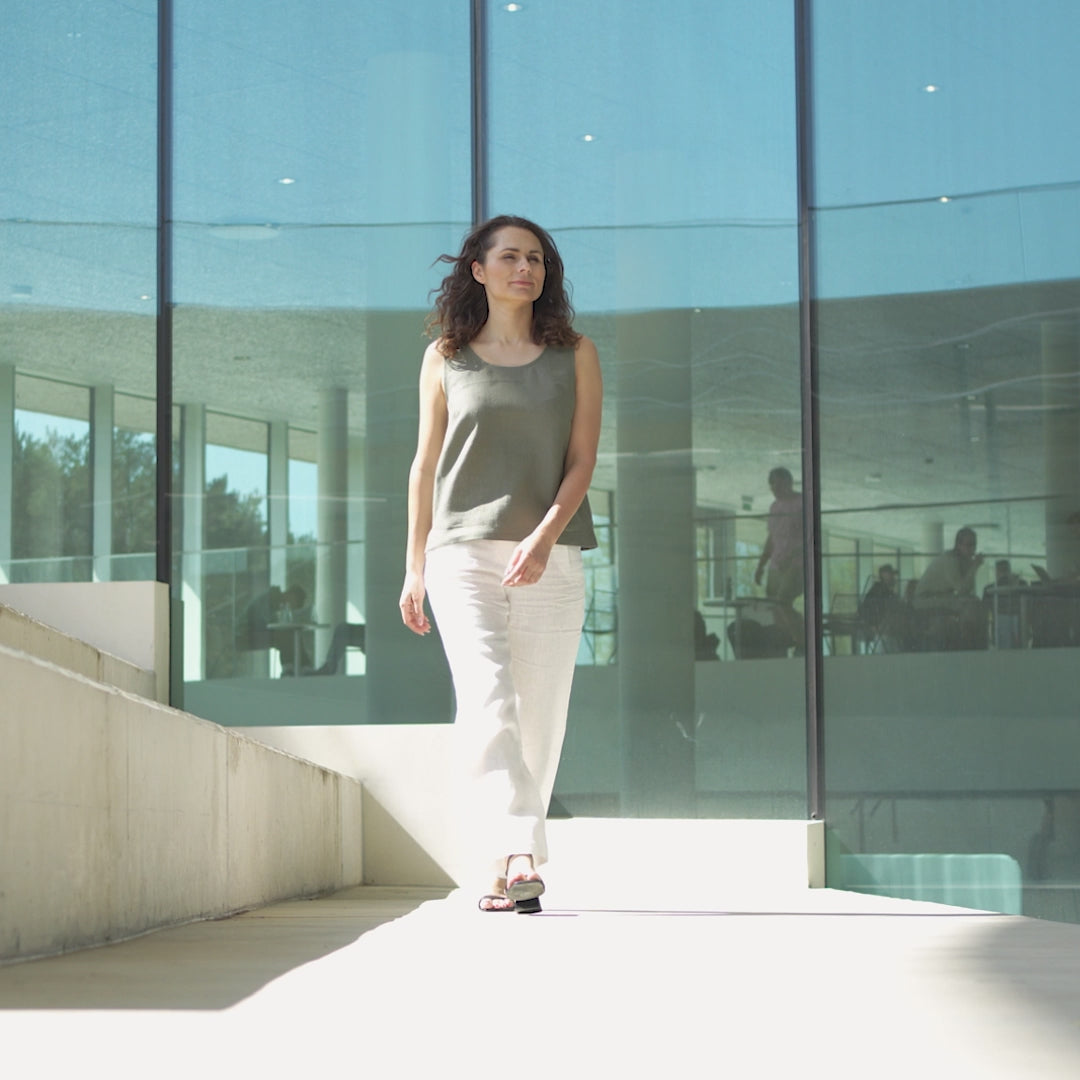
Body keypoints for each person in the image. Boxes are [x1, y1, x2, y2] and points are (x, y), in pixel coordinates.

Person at [399, 215, 602, 915]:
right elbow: (424, 467)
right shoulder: (446, 356)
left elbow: (582, 461)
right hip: (458, 554)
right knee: (489, 699)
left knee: (539, 720)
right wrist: (413, 567)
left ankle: (499, 867)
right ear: (477, 270)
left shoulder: (574, 353)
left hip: (552, 554)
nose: (527, 269)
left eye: (538, 260)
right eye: (511, 257)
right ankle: (520, 854)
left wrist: (545, 535)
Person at [753, 466, 804, 652]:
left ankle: (802, 641)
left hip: (797, 563)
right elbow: (771, 538)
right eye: (772, 485)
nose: (775, 488)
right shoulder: (774, 507)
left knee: (783, 601)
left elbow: (810, 536)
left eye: (779, 484)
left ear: (789, 483)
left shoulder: (801, 503)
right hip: (776, 563)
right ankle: (784, 642)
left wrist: (791, 557)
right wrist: (761, 565)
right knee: (774, 605)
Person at [913, 527, 986, 649]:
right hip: (926, 599)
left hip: (941, 597)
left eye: (973, 545)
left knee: (974, 603)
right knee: (971, 604)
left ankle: (972, 641)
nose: (972, 549)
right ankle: (971, 643)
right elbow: (962, 589)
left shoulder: (963, 561)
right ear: (958, 545)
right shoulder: (949, 560)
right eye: (968, 545)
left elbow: (967, 589)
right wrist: (975, 566)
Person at [239, 584, 312, 673]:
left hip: (254, 630)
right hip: (244, 634)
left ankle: (298, 665)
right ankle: (295, 666)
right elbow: (266, 620)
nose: (290, 606)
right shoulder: (270, 598)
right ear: (291, 595)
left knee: (291, 634)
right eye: (294, 603)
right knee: (284, 635)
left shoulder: (274, 601)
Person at [859, 564, 902, 652]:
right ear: (885, 576)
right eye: (892, 575)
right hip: (883, 633)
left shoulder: (882, 591)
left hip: (885, 632)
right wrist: (874, 626)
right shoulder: (880, 592)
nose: (894, 578)